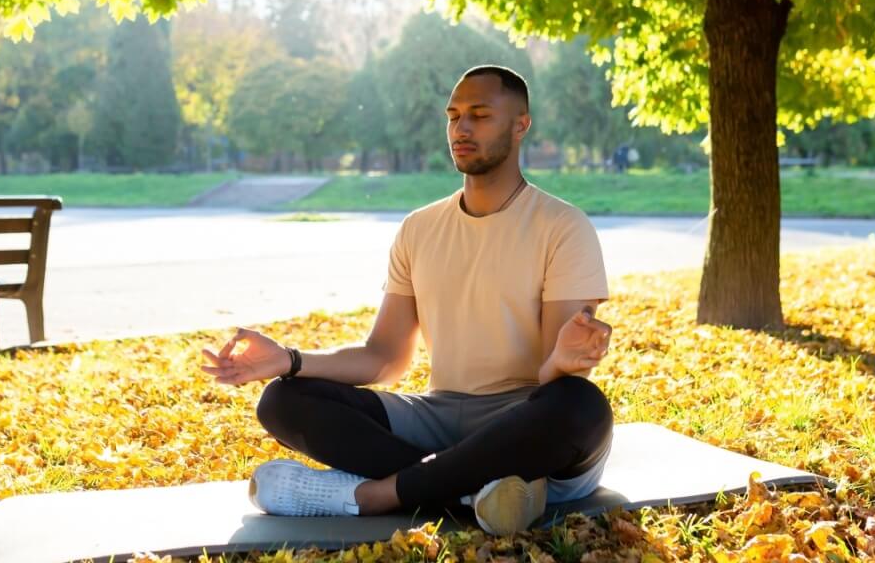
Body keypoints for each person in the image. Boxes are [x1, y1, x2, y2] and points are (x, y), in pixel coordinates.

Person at [199, 65, 614, 536]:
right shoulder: (420, 228)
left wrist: (563, 358)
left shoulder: (563, 227)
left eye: (479, 115)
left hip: (522, 422)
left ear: (521, 125)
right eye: (454, 116)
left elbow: (549, 380)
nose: (461, 128)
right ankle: (476, 492)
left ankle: (373, 495)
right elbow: (384, 359)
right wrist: (288, 359)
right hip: (438, 417)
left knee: (581, 405)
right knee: (283, 399)